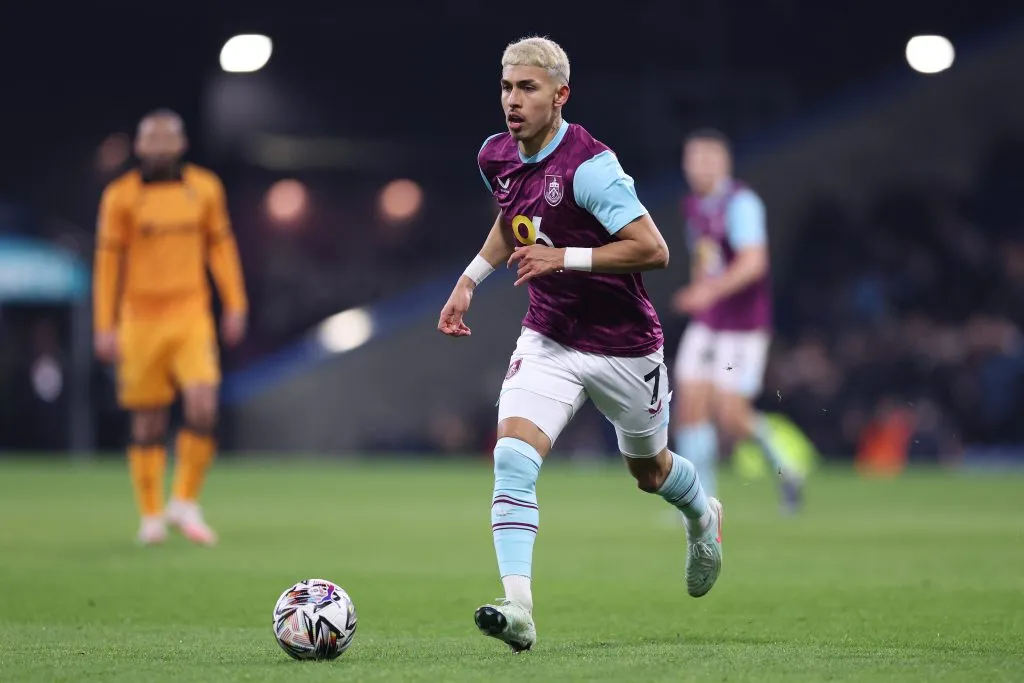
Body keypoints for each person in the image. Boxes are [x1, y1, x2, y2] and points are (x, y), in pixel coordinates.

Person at [437, 36, 723, 654]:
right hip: (550, 338)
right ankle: (519, 608)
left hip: (625, 347)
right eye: (508, 87)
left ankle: (703, 516)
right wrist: (468, 281)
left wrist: (562, 257)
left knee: (650, 474)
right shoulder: (496, 155)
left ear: (560, 95)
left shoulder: (591, 167)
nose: (514, 101)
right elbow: (511, 217)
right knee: (512, 456)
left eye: (529, 88)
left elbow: (654, 249)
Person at [93, 109, 248, 546]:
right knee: (148, 420)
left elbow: (221, 247)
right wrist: (103, 325)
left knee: (203, 405)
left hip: (190, 314)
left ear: (181, 145)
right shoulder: (120, 197)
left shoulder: (204, 189)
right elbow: (107, 266)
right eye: (151, 141)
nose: (159, 148)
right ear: (139, 147)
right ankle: (151, 515)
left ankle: (184, 501)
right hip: (139, 319)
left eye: (167, 140)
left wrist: (235, 302)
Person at [671, 128, 803, 513]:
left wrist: (708, 292)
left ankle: (787, 469)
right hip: (709, 323)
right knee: (690, 405)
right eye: (692, 159)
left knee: (731, 417)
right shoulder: (694, 206)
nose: (699, 167)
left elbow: (754, 262)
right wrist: (700, 290)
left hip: (743, 327)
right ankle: (700, 502)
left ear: (724, 163)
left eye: (707, 159)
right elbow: (706, 259)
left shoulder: (741, 203)